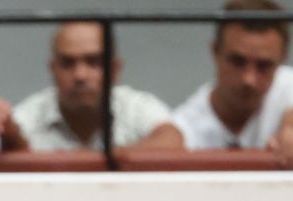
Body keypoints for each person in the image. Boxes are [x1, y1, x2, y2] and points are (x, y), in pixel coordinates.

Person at [155, 0, 293, 168]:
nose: (248, 79)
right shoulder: (185, 125)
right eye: (237, 61)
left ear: (283, 59)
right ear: (215, 51)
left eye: (264, 66)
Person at [11, 22, 177, 151]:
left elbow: (173, 140)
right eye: (68, 63)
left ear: (114, 69)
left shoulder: (136, 106)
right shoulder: (27, 117)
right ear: (53, 69)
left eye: (93, 62)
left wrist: (100, 161)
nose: (80, 75)